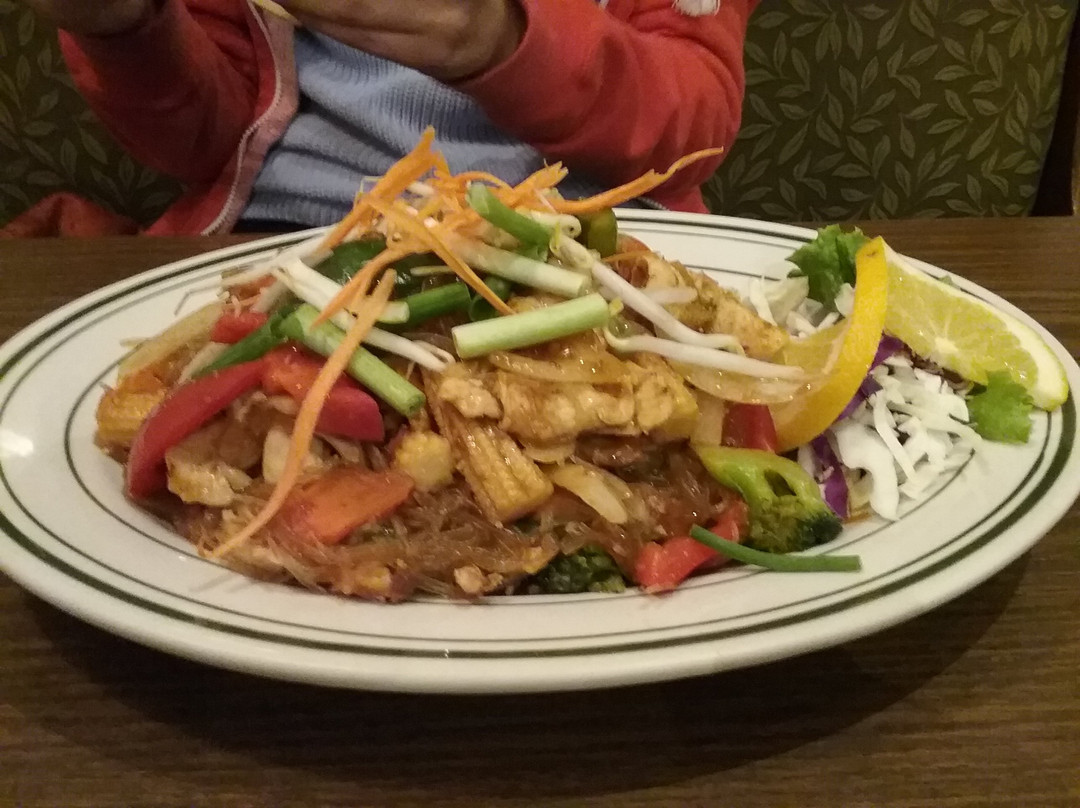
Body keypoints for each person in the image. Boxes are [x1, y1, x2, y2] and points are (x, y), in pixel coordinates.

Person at [25, 0, 758, 235]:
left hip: (595, 241)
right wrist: (125, 29)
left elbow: (695, 120)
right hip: (280, 237)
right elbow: (202, 145)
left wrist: (500, 39)